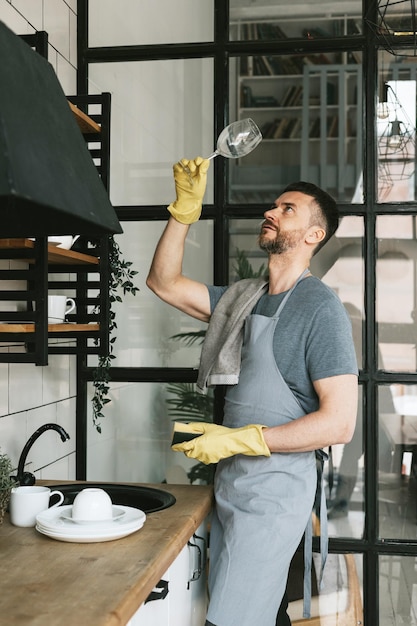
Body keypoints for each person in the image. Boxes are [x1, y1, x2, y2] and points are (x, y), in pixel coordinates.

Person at [146, 157, 358, 626]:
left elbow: (340, 422)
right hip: (230, 487)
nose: (271, 210)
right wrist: (184, 211)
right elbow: (164, 283)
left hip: (274, 500)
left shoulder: (321, 309)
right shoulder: (244, 298)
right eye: (274, 204)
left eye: (287, 208)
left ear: (313, 235)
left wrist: (243, 438)